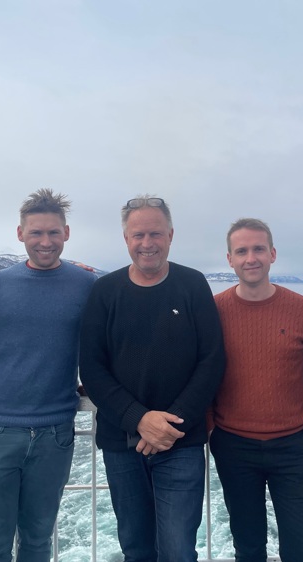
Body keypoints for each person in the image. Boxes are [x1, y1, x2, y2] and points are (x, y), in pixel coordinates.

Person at [79, 195, 225, 562]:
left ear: (171, 235)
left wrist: (170, 425)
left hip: (181, 441)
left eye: (156, 233)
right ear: (126, 239)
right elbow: (92, 368)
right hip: (121, 443)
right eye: (138, 235)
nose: (147, 243)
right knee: (137, 548)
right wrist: (139, 420)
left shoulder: (193, 285)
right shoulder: (105, 291)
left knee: (178, 550)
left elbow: (211, 360)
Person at [0, 188, 96, 561]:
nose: (45, 241)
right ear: (20, 233)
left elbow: (107, 342)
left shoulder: (86, 285)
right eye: (36, 232)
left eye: (54, 232)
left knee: (38, 541)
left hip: (54, 431)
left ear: (66, 233)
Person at [209, 218, 303, 562]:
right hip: (234, 445)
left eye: (258, 249)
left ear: (272, 254)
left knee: (301, 549)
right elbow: (203, 373)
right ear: (229, 259)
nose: (251, 258)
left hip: (293, 445)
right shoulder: (214, 310)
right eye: (241, 251)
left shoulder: (302, 309)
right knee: (248, 547)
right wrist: (211, 428)